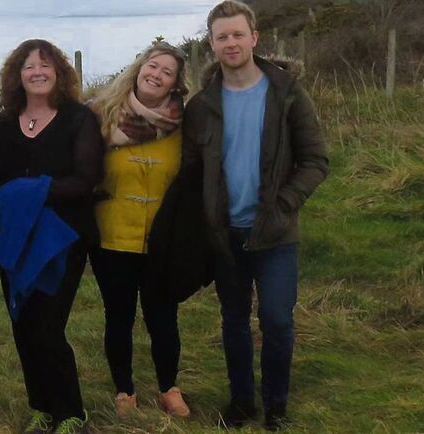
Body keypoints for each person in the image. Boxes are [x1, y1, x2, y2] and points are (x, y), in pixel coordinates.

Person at [181, 1, 328, 430]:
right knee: (233, 321)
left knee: (278, 320)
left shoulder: (287, 93)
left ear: (254, 38)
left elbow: (316, 160)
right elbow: (191, 171)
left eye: (237, 34)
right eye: (221, 36)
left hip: (276, 232)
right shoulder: (201, 106)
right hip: (226, 234)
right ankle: (242, 401)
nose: (230, 43)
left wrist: (282, 205)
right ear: (211, 44)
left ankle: (276, 406)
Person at [0, 39, 104, 434]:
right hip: (15, 240)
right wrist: (19, 194)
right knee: (22, 325)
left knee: (48, 328)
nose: (37, 72)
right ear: (18, 75)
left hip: (61, 241)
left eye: (44, 65)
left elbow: (85, 180)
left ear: (59, 72)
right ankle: (41, 407)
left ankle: (71, 412)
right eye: (29, 66)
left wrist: (27, 191)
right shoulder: (4, 122)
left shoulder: (78, 119)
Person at [88, 41, 192, 420]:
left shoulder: (183, 124)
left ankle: (169, 388)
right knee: (119, 317)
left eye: (167, 72)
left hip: (162, 240)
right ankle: (124, 390)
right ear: (139, 67)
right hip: (111, 237)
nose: (157, 74)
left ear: (176, 84)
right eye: (152, 66)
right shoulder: (102, 115)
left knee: (164, 316)